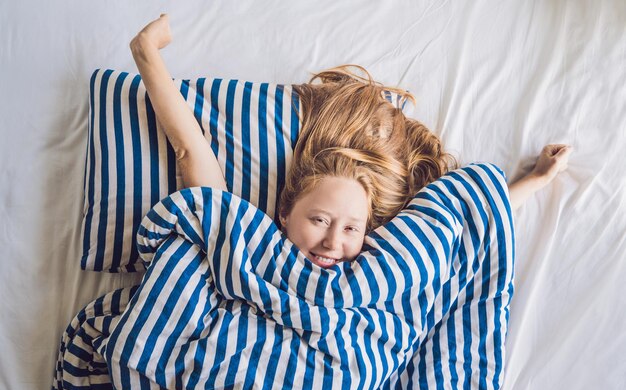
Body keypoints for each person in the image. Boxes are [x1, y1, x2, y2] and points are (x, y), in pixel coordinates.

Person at [130, 14, 573, 269]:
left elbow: (457, 223)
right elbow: (192, 152)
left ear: (368, 231)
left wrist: (534, 180)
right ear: (284, 213)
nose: (331, 243)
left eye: (349, 229)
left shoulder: (373, 265)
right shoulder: (247, 242)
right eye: (320, 220)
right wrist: (147, 54)